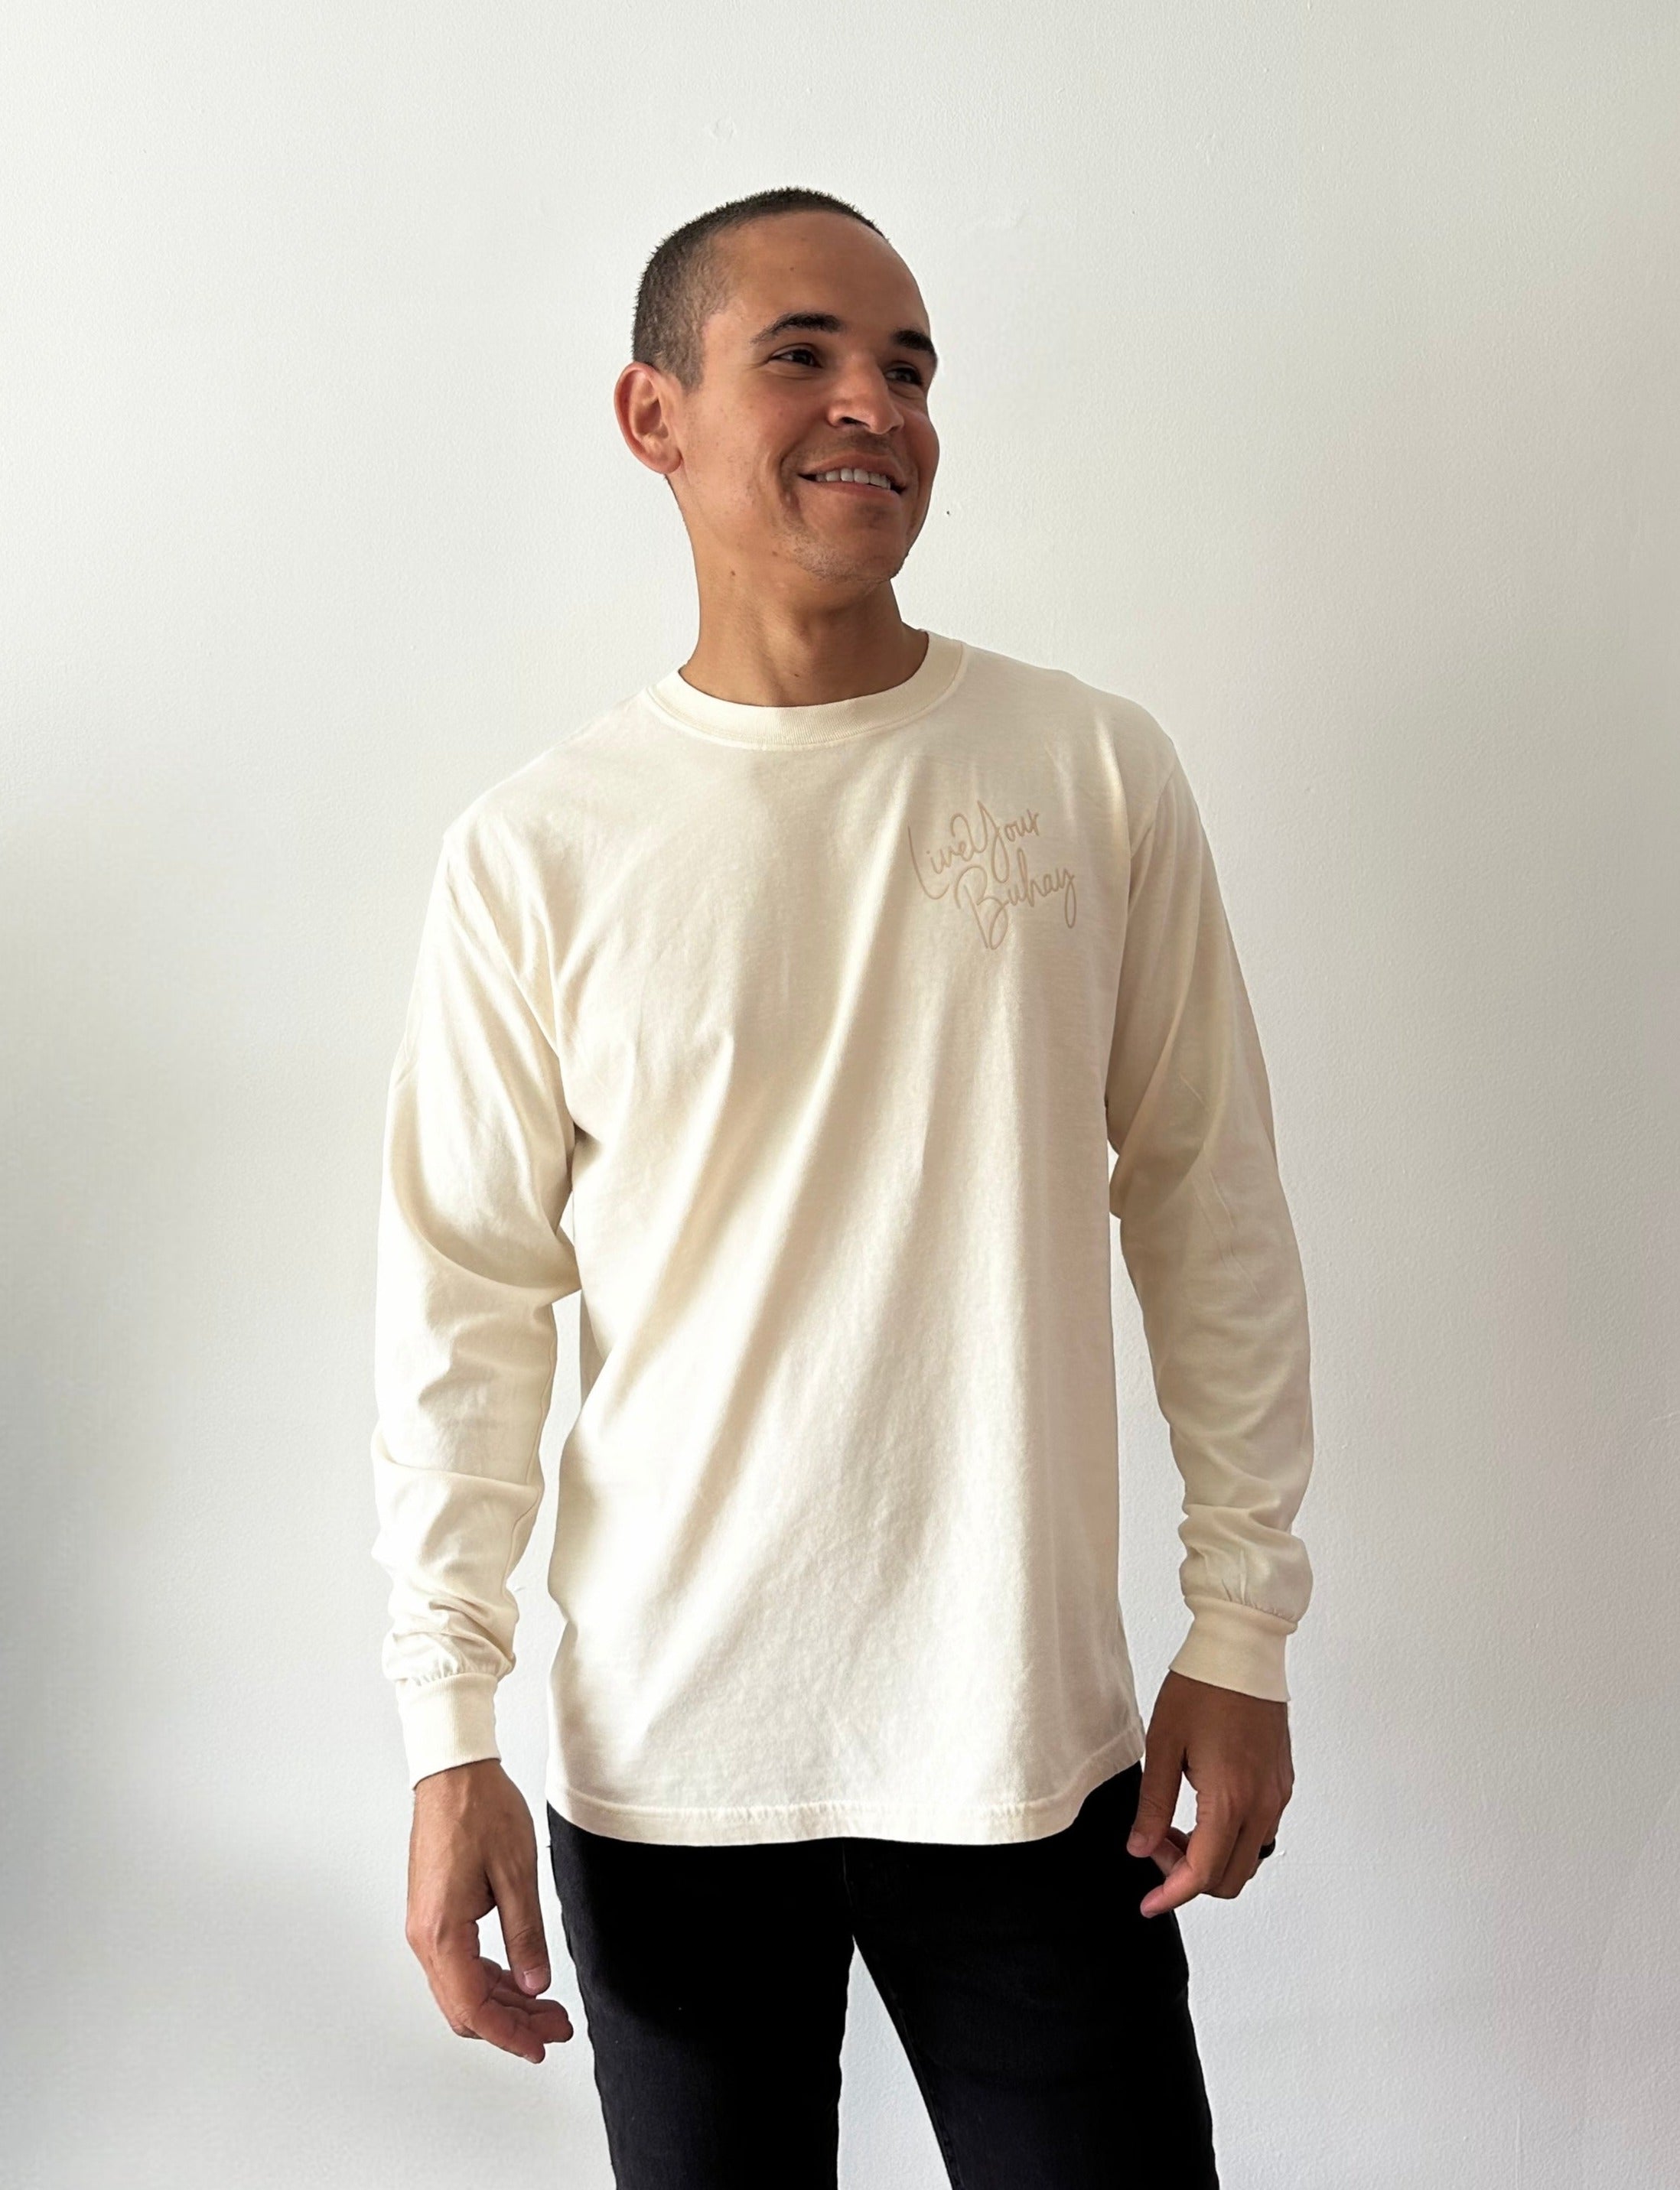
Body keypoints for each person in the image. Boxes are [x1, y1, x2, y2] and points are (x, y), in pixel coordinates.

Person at [370, 185, 1314, 2189]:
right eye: (799, 354)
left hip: (1028, 1748)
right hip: (670, 1773)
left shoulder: (1087, 771)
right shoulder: (541, 851)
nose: (873, 403)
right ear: (653, 414)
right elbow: (463, 1302)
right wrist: (448, 1728)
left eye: (908, 366)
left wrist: (1241, 1624)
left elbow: (1207, 1202)